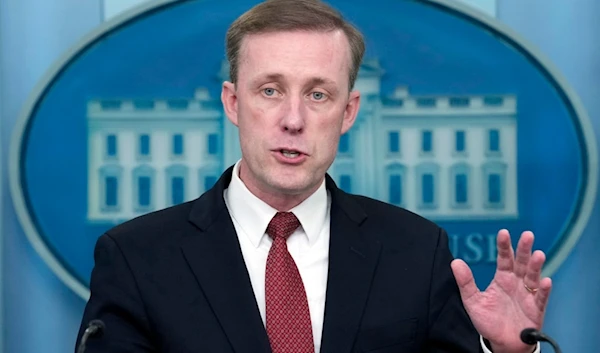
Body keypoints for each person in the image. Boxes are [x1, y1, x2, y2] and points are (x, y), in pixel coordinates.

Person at [76, 0, 552, 352]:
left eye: (318, 95)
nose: (293, 119)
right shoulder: (138, 258)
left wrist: (509, 352)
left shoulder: (417, 250)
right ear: (232, 103)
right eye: (269, 90)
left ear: (348, 112)